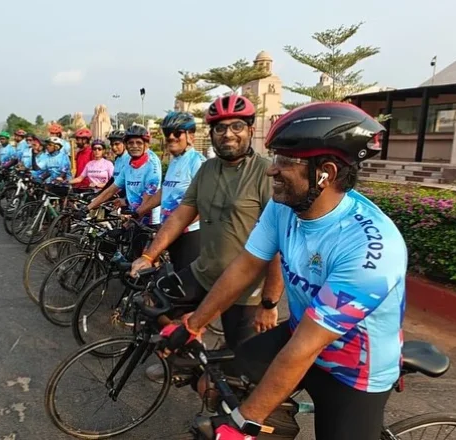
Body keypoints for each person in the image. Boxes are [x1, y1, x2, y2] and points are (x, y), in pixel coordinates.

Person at [158, 102, 406, 440]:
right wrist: (194, 324)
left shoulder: (371, 248)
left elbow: (306, 347)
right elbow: (246, 266)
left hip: (353, 369)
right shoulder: (284, 205)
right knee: (214, 382)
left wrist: (247, 422)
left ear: (326, 172)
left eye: (285, 162)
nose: (271, 171)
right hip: (299, 332)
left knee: (246, 419)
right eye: (273, 158)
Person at [130, 95, 285, 362]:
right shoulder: (208, 169)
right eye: (220, 128)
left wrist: (269, 303)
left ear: (250, 129)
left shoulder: (264, 173)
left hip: (245, 289)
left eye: (236, 126)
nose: (228, 134)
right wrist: (148, 256)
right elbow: (181, 215)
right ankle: (187, 357)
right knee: (152, 301)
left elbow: (279, 243)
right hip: (203, 271)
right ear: (212, 133)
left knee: (243, 366)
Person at [134, 111, 205, 272]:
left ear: (190, 135)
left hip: (190, 235)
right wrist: (138, 213)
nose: (171, 137)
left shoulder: (197, 162)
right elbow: (164, 191)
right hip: (171, 232)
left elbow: (205, 204)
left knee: (185, 288)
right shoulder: (175, 161)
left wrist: (179, 226)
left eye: (177, 132)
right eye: (167, 133)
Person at [86, 124, 161, 225]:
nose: (134, 146)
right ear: (126, 145)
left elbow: (146, 202)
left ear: (146, 145)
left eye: (139, 143)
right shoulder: (129, 163)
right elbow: (111, 189)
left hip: (149, 222)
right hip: (133, 217)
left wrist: (127, 226)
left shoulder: (152, 164)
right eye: (131, 143)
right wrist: (87, 208)